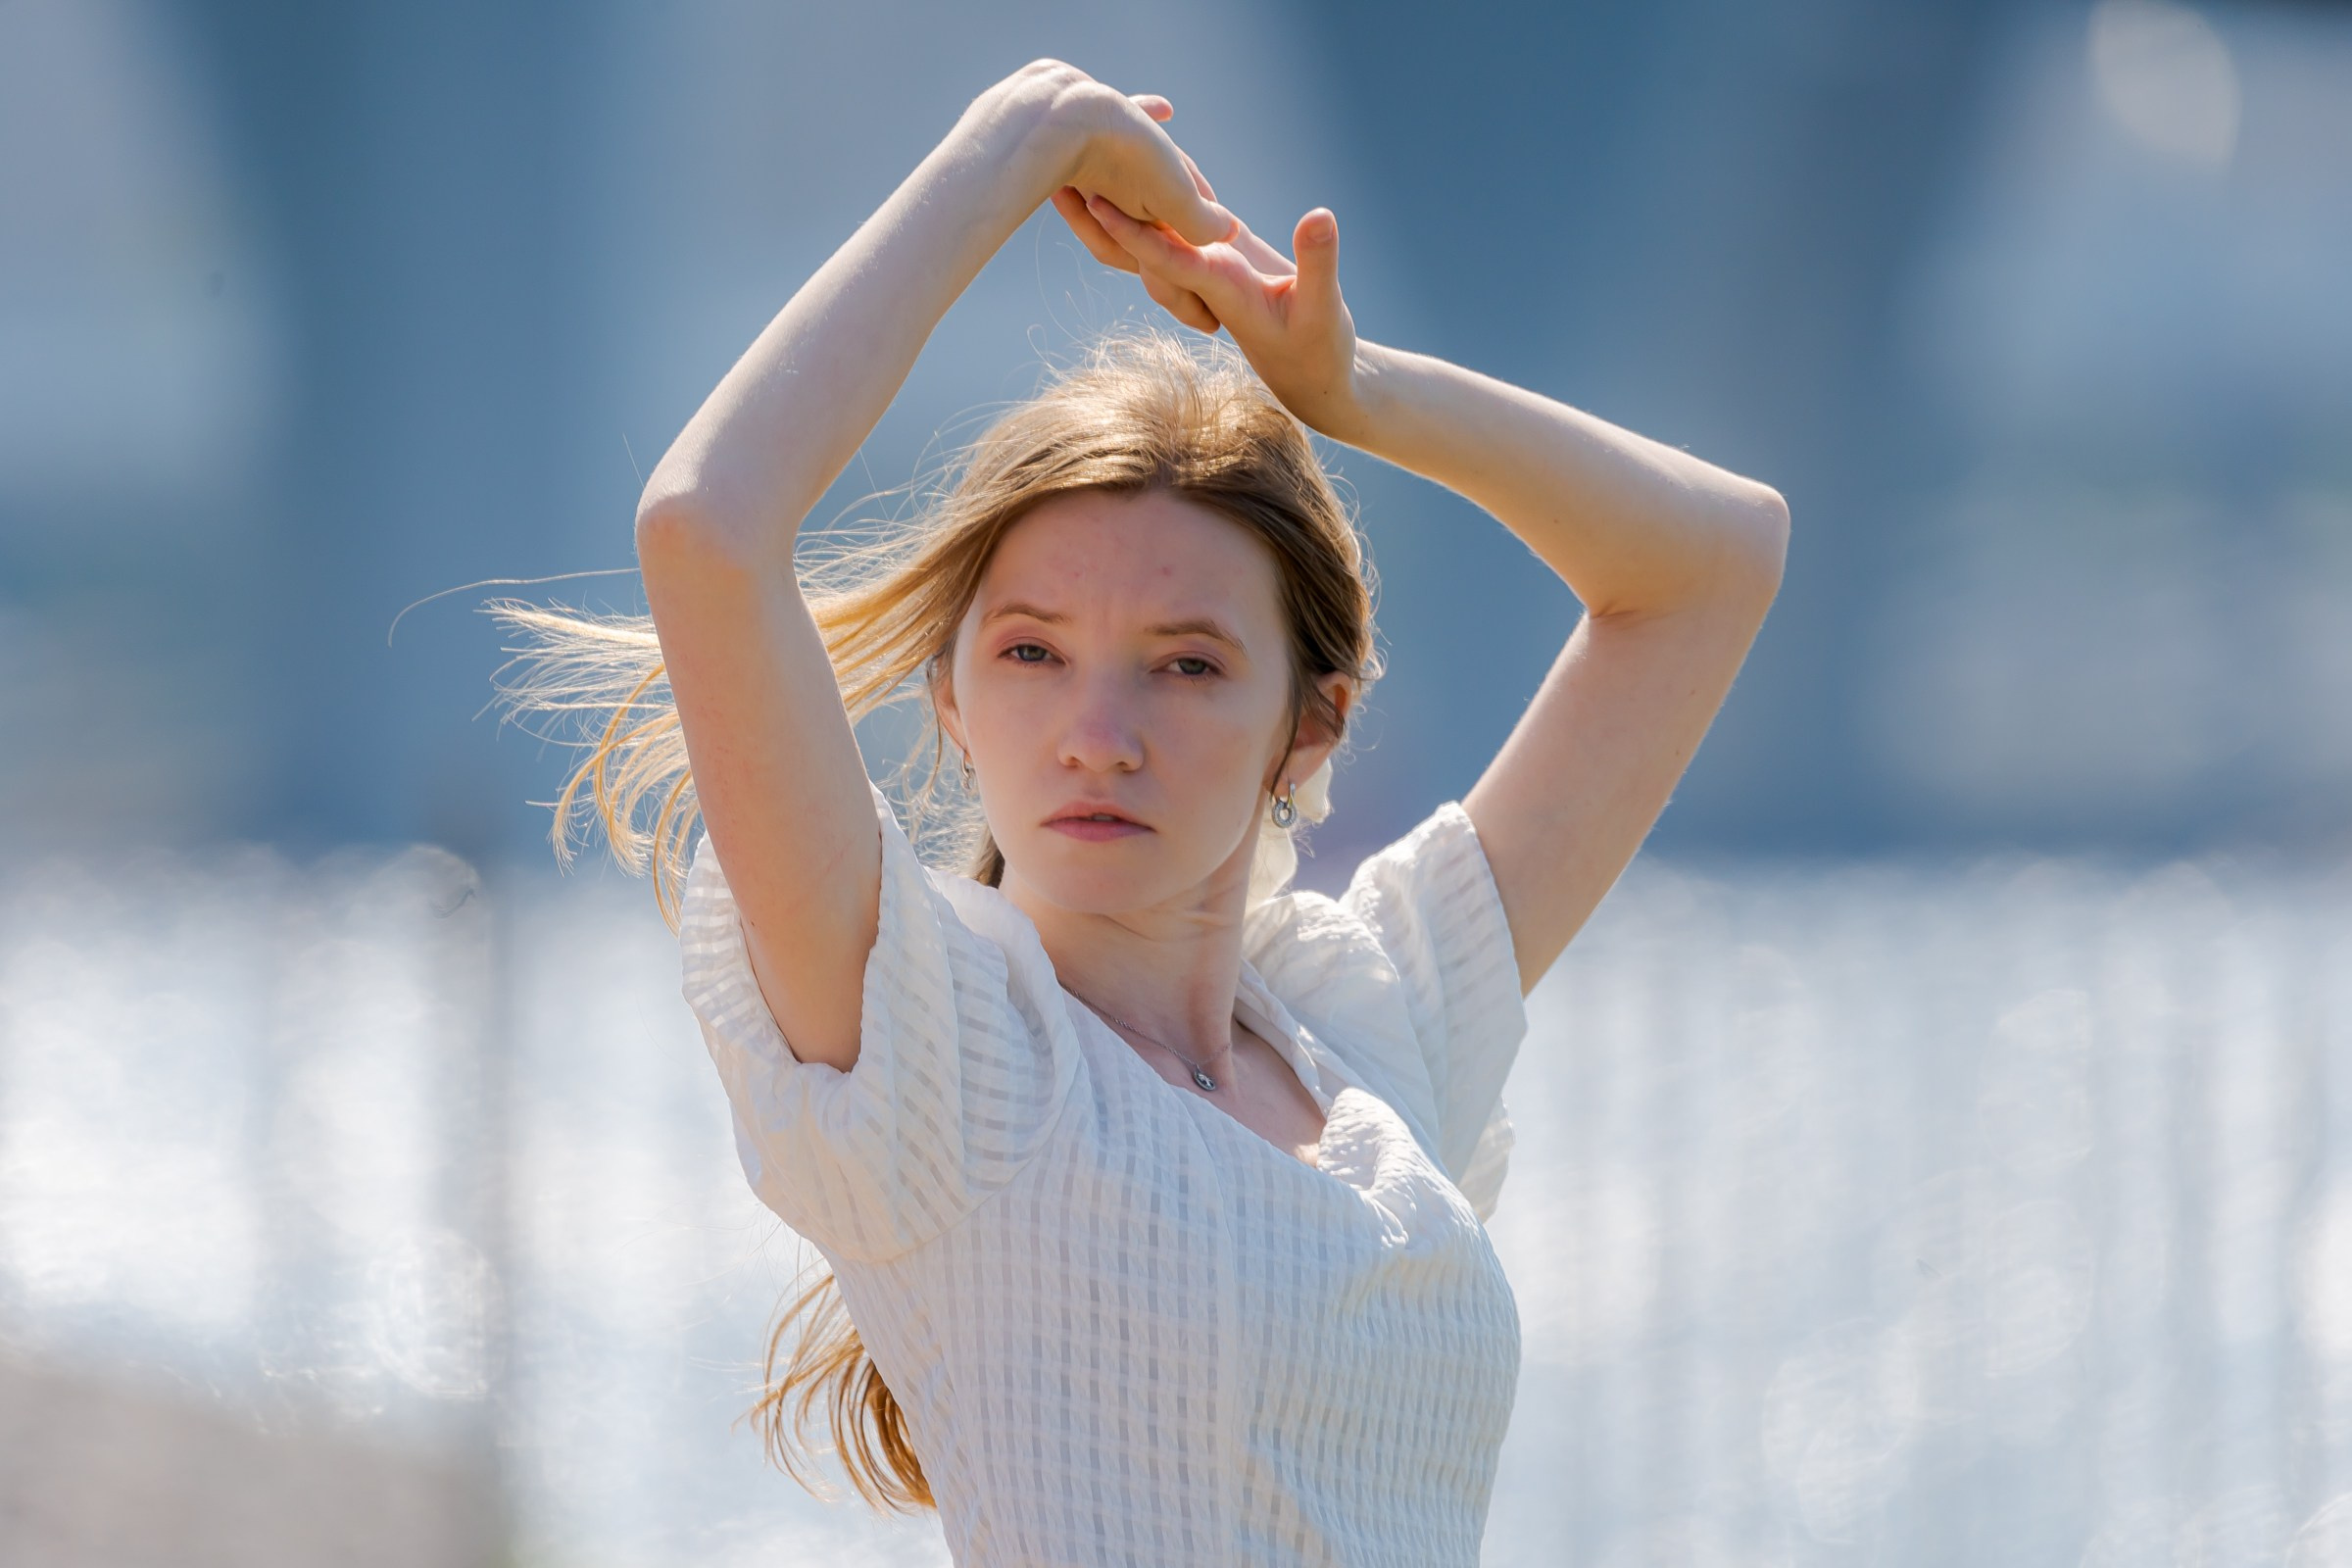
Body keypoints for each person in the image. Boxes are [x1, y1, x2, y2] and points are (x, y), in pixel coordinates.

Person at [492, 57, 1787, 1568]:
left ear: (1310, 729)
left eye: (1185, 666)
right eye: (1032, 653)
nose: (1097, 738)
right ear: (956, 704)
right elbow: (706, 528)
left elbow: (1711, 566)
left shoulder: (1367, 1031)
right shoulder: (947, 1055)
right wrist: (1012, 143)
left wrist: (1352, 393)